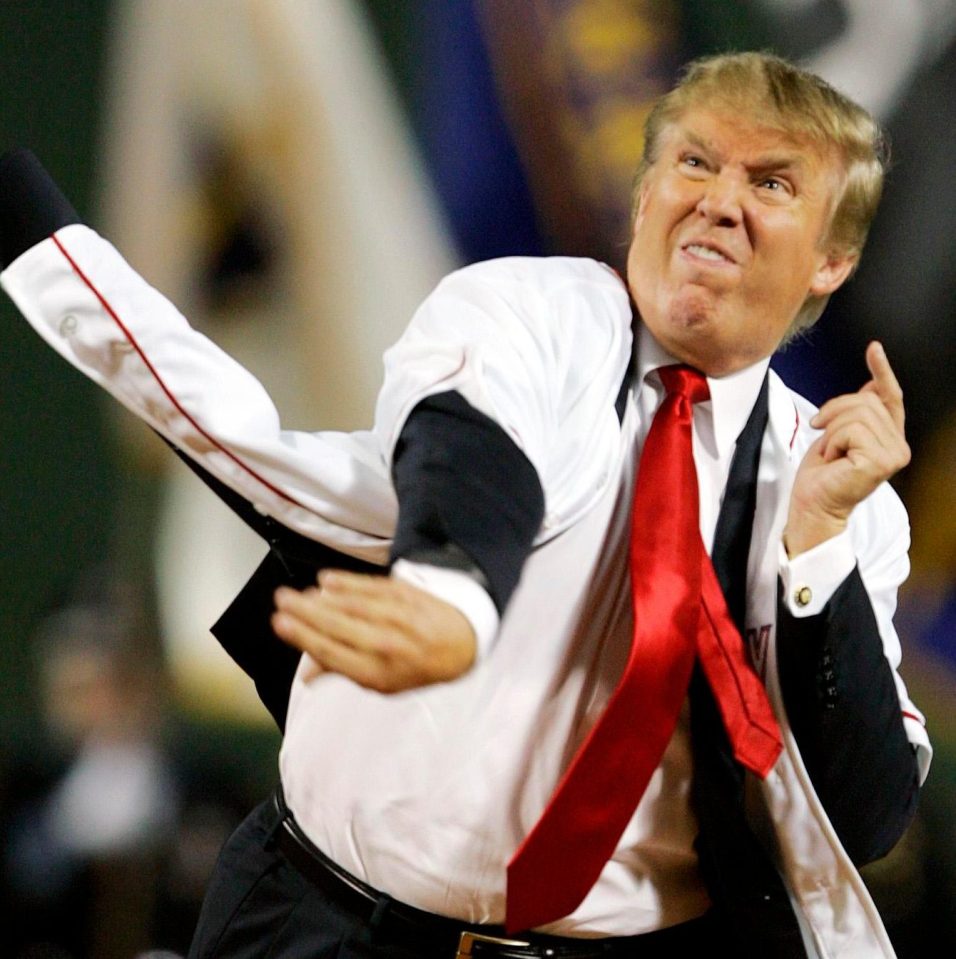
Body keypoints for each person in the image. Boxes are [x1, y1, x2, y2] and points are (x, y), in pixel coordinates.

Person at [0, 51, 930, 959]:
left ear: (832, 261)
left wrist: (817, 547)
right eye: (693, 161)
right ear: (644, 197)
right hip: (322, 921)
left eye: (772, 184)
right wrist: (454, 595)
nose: (720, 199)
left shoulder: (849, 503)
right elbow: (472, 442)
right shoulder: (532, 311)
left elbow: (861, 813)